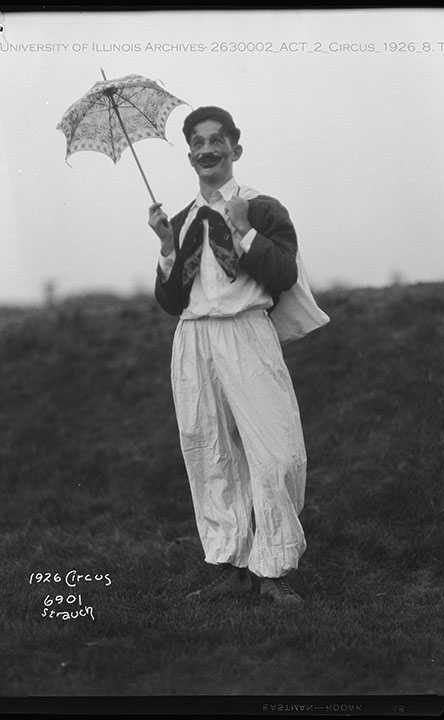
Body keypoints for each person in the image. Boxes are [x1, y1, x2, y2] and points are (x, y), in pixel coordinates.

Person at [148, 106, 307, 607]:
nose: (206, 150)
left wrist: (245, 230)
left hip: (246, 333)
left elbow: (283, 274)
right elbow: (172, 300)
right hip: (194, 340)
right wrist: (167, 246)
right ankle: (230, 563)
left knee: (277, 453)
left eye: (216, 140)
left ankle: (274, 566)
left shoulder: (262, 208)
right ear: (189, 155)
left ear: (235, 148)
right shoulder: (181, 220)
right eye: (197, 142)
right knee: (209, 451)